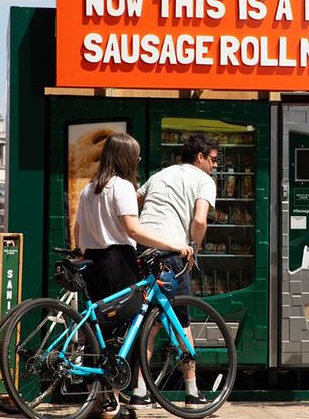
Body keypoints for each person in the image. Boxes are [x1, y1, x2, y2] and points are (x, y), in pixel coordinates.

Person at [73, 132, 192, 419]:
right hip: (117, 261)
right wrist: (173, 244)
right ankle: (112, 403)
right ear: (126, 158)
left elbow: (77, 230)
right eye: (135, 155)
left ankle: (100, 401)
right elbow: (133, 230)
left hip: (92, 262)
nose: (137, 160)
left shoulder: (89, 189)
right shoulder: (123, 187)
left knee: (99, 331)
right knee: (124, 331)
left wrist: (82, 252)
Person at [130, 132, 219, 410]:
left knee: (148, 321)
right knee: (182, 321)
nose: (215, 165)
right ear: (200, 157)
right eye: (213, 159)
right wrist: (194, 247)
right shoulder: (204, 180)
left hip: (142, 249)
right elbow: (200, 220)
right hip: (171, 251)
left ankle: (139, 390)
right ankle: (192, 392)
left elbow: (135, 199)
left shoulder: (161, 175)